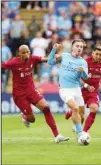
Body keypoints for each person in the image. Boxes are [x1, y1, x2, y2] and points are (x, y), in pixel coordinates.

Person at [2, 44, 69, 143]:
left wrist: (55, 51)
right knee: (32, 119)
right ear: (19, 54)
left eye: (27, 52)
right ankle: (25, 116)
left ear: (30, 52)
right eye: (23, 53)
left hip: (31, 90)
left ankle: (57, 135)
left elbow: (48, 60)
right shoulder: (13, 62)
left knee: (46, 108)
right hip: (19, 95)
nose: (26, 54)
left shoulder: (33, 59)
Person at [48, 39, 89, 143]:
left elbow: (86, 77)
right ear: (72, 47)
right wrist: (53, 50)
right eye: (77, 46)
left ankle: (74, 122)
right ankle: (80, 133)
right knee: (75, 108)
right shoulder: (64, 56)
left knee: (82, 115)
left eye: (81, 47)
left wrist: (83, 71)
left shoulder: (83, 62)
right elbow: (50, 61)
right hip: (65, 89)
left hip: (77, 89)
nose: (79, 48)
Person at [65, 44, 101, 133]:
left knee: (94, 109)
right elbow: (77, 77)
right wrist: (86, 86)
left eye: (100, 55)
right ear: (92, 53)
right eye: (97, 54)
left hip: (93, 92)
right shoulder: (85, 62)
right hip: (81, 91)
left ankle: (84, 132)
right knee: (81, 116)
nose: (98, 56)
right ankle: (71, 111)